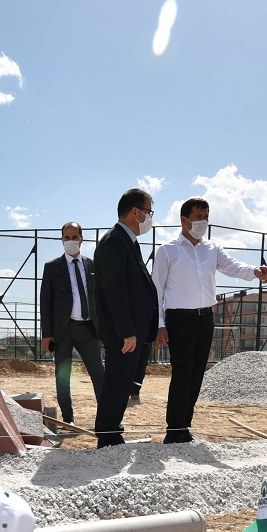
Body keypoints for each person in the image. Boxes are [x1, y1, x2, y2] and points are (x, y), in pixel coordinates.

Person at [153, 198, 267, 443]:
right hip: (179, 320)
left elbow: (232, 266)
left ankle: (185, 427)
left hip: (205, 318)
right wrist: (159, 324)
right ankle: (174, 431)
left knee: (197, 374)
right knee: (182, 373)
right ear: (184, 220)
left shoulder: (212, 249)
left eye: (206, 216)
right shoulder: (168, 250)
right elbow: (157, 289)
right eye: (198, 217)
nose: (203, 222)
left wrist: (254, 271)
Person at [92, 188, 160, 447]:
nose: (150, 218)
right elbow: (115, 291)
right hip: (124, 334)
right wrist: (127, 331)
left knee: (123, 384)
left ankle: (112, 432)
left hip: (132, 332)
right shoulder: (114, 242)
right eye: (149, 212)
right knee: (117, 383)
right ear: (135, 212)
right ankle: (108, 438)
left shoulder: (127, 241)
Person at [39, 222, 105, 425]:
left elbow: (101, 299)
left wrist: (103, 328)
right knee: (63, 377)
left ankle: (104, 418)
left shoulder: (93, 266)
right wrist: (47, 333)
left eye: (74, 237)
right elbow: (45, 301)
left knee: (99, 374)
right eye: (66, 238)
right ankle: (68, 419)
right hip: (63, 330)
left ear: (81, 238)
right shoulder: (52, 268)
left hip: (88, 329)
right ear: (61, 240)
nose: (70, 241)